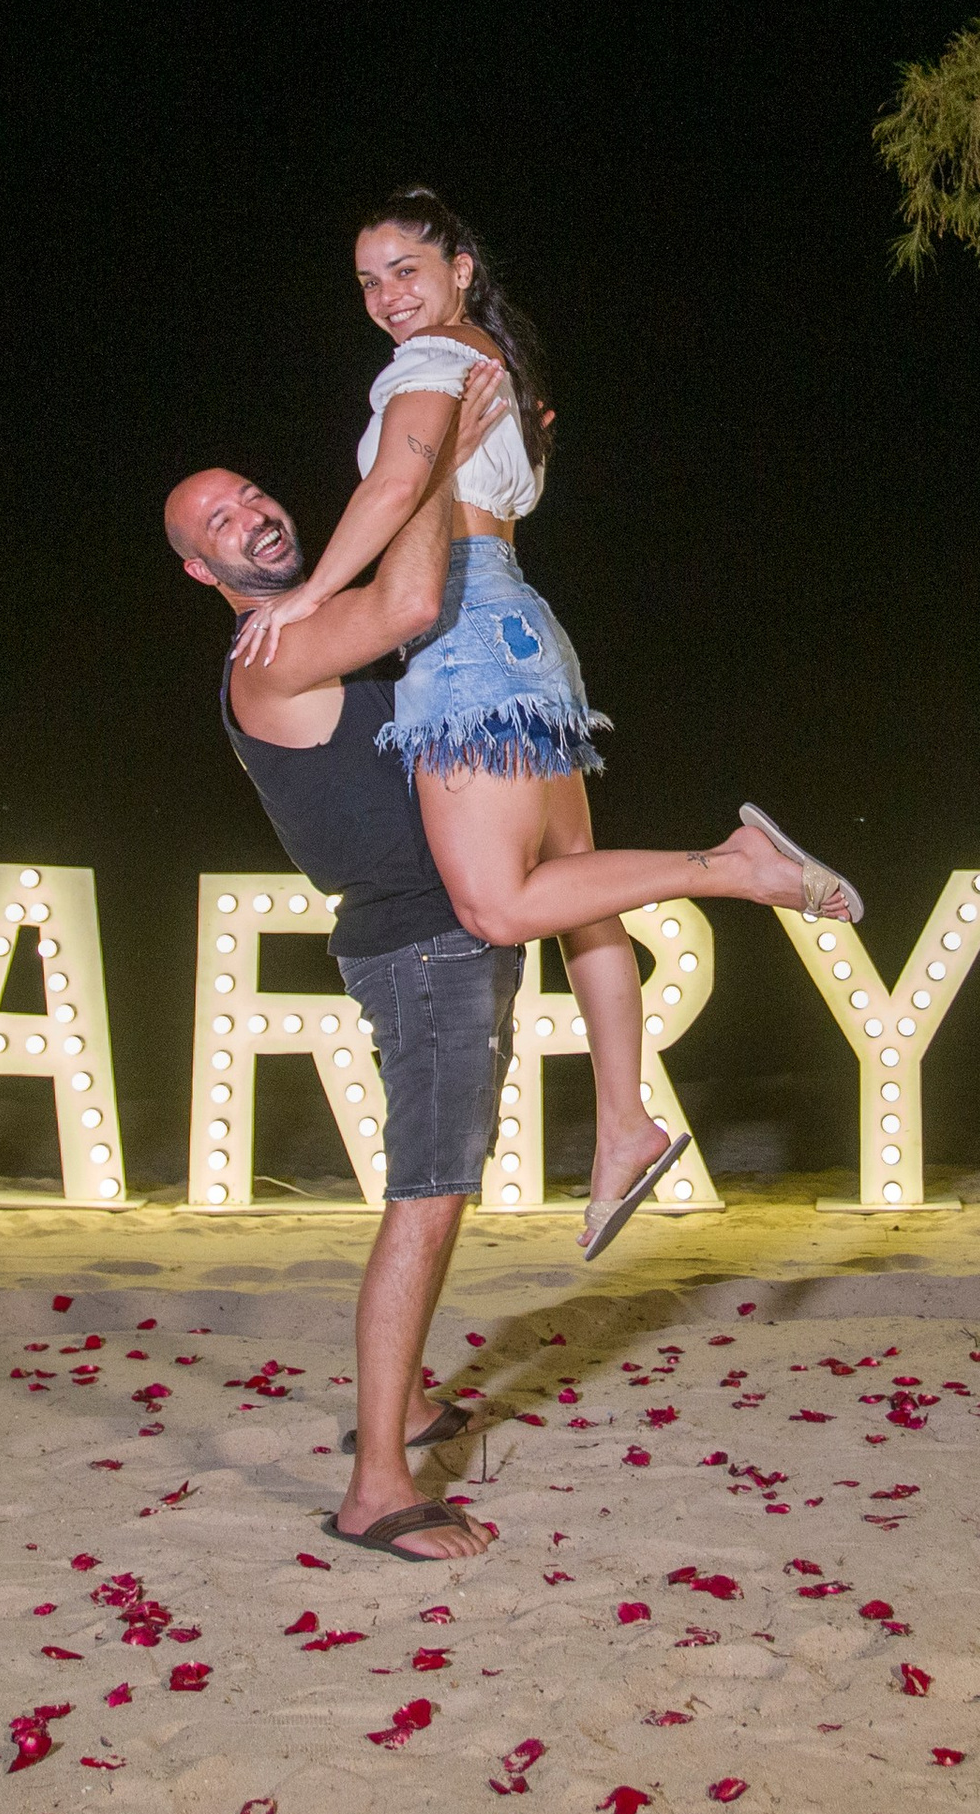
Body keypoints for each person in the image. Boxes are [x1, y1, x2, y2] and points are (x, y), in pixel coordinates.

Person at [165, 387, 861, 1557]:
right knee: (428, 1200)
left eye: (250, 496)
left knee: (577, 873)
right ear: (204, 571)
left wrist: (493, 458)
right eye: (221, 522)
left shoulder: (327, 614)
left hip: (465, 908)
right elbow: (416, 592)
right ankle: (378, 1485)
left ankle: (619, 1122)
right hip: (419, 945)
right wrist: (435, 451)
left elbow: (451, 615)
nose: (252, 515)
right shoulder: (273, 651)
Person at [230, 186, 859, 1258]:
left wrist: (304, 595)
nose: (388, 297)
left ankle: (736, 863)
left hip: (472, 635)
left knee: (499, 905)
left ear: (460, 266)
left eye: (406, 270)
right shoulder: (495, 361)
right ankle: (624, 1125)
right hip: (524, 621)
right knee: (581, 897)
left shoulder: (427, 360)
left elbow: (393, 489)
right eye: (369, 282)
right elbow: (500, 488)